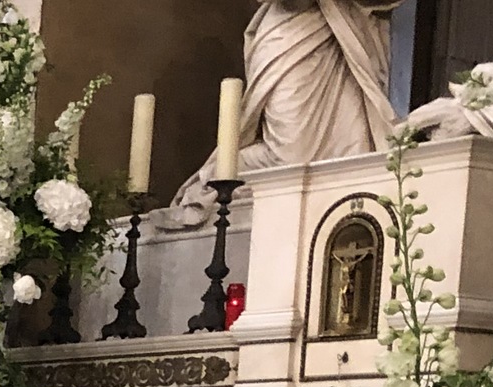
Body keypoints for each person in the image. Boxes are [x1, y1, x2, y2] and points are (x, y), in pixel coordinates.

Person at [168, 0, 403, 223]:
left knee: (352, 148)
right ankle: (217, 180)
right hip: (292, 32)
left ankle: (338, 225)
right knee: (289, 154)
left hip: (346, 34)